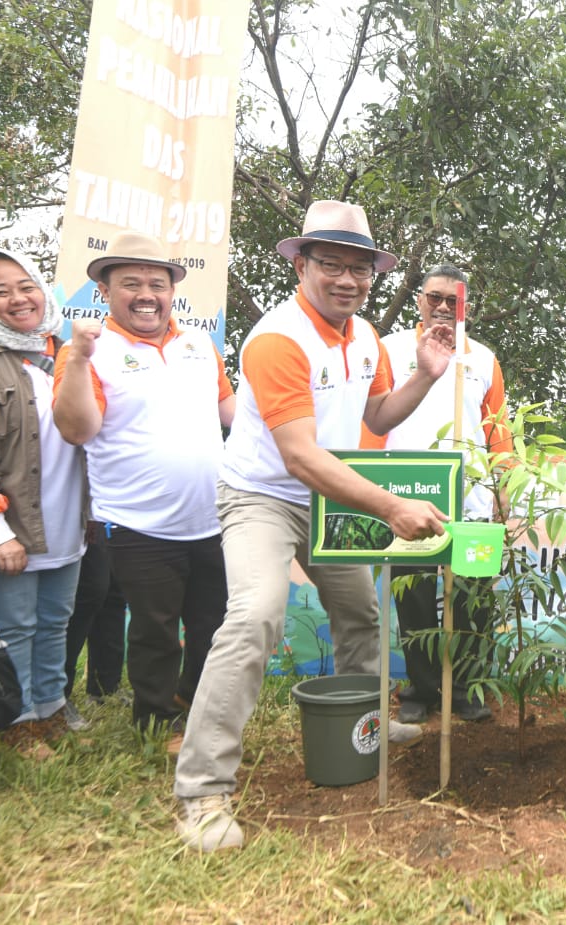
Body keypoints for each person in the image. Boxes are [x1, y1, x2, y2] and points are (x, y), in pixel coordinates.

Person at [173, 200, 454, 852]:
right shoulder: (278, 339)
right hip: (264, 496)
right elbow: (298, 453)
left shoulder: (363, 339)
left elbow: (378, 417)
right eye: (331, 264)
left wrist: (424, 375)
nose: (348, 279)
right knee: (256, 613)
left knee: (360, 609)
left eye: (361, 268)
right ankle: (201, 789)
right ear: (302, 264)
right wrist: (388, 506)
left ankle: (366, 725)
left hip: (328, 498)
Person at [52, 232, 233, 740]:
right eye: (130, 283)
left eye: (157, 282)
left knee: (213, 627)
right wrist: (82, 358)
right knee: (155, 632)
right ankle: (156, 722)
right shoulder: (87, 351)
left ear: (173, 291)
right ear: (105, 293)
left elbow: (230, 414)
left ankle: (194, 708)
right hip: (137, 524)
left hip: (213, 516)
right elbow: (77, 429)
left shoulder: (199, 345)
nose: (146, 293)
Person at [0, 249, 86, 756]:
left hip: (65, 518)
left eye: (25, 285)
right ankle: (19, 720)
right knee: (16, 626)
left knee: (56, 619)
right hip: (11, 525)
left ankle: (51, 708)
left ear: (42, 288)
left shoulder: (64, 350)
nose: (18, 299)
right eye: (1, 291)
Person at [376, 265, 512, 723]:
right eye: (433, 297)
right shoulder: (391, 350)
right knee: (412, 595)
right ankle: (422, 688)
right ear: (419, 298)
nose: (440, 306)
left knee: (472, 598)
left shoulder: (484, 358)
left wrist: (504, 484)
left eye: (451, 301)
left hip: (474, 500)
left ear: (465, 308)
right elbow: (372, 419)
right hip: (410, 495)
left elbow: (499, 432)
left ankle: (469, 687)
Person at [62, 523, 127, 706]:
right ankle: (58, 693)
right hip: (85, 517)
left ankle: (106, 685)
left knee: (114, 594)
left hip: (117, 516)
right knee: (89, 593)